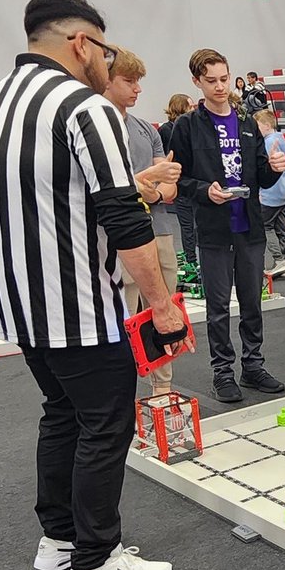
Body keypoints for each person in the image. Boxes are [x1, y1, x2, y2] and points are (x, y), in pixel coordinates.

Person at [0, 0, 190, 570]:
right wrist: (162, 307)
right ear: (81, 43)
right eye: (104, 50)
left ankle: (58, 541)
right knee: (106, 426)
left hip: (16, 303)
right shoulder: (86, 108)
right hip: (81, 305)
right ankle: (97, 561)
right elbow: (124, 222)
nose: (108, 63)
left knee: (63, 417)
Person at [169, 48, 285, 403]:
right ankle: (223, 371)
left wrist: (275, 166)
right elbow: (178, 181)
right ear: (196, 82)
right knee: (218, 306)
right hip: (214, 229)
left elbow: (261, 177)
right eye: (211, 81)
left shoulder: (247, 122)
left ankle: (253, 365)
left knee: (252, 300)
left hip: (249, 227)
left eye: (224, 79)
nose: (220, 87)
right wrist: (206, 190)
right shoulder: (186, 126)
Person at [101, 46, 183, 400]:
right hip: (115, 238)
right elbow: (112, 187)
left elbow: (168, 186)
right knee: (119, 317)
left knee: (164, 309)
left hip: (159, 230)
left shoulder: (144, 128)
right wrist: (148, 182)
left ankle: (162, 390)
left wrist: (150, 188)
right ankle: (117, 395)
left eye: (139, 81)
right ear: (107, 80)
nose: (137, 89)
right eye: (129, 80)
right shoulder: (95, 127)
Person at [254, 110, 285, 277]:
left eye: (258, 127)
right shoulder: (281, 138)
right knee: (281, 226)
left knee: (265, 226)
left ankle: (279, 260)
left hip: (270, 193)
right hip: (283, 191)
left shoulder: (267, 143)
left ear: (267, 125)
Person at [160, 93, 197, 257]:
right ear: (181, 107)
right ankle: (191, 259)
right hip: (178, 182)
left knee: (197, 225)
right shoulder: (166, 130)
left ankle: (198, 256)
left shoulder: (191, 126)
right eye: (190, 106)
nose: (193, 108)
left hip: (194, 179)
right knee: (187, 225)